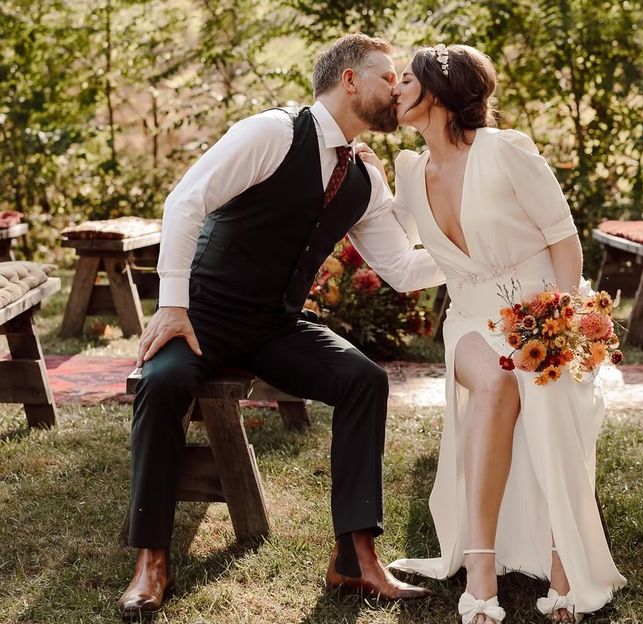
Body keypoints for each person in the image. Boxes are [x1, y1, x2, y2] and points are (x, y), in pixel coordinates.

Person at [119, 33, 446, 619]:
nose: (396, 88)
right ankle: (151, 558)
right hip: (202, 315)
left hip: (275, 325)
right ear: (349, 80)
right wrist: (172, 306)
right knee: (163, 383)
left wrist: (479, 252)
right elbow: (184, 202)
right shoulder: (272, 132)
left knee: (363, 380)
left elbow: (399, 269)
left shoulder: (365, 179)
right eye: (386, 76)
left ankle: (355, 556)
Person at [366, 43, 626, 624]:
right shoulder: (410, 173)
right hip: (469, 319)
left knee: (548, 389)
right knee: (494, 382)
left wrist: (564, 322)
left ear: (438, 91)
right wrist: (370, 180)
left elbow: (563, 238)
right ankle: (480, 567)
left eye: (406, 80)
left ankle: (564, 562)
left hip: (541, 308)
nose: (396, 89)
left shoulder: (506, 151)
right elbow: (402, 257)